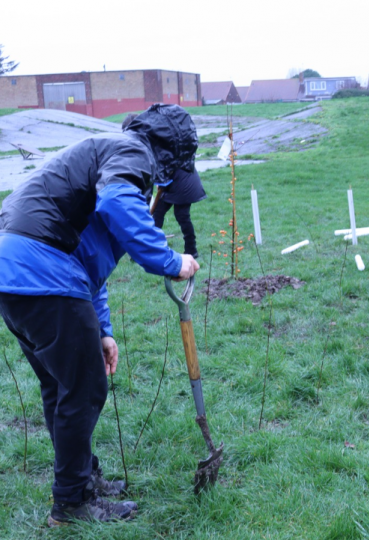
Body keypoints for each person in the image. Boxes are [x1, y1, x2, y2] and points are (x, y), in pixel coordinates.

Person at [0, 104, 200, 526]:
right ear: (165, 153)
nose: (162, 188)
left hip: (17, 273)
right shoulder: (133, 152)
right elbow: (116, 205)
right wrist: (170, 261)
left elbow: (90, 262)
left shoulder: (108, 157)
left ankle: (81, 479)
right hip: (41, 269)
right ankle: (73, 504)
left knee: (62, 387)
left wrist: (104, 331)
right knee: (85, 389)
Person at [122, 114, 206, 258]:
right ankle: (149, 249)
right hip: (171, 181)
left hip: (183, 180)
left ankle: (191, 250)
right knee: (157, 214)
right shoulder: (149, 138)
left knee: (182, 215)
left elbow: (163, 164)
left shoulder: (154, 139)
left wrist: (157, 183)